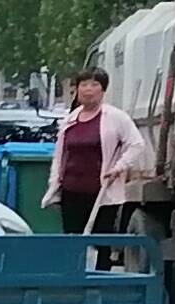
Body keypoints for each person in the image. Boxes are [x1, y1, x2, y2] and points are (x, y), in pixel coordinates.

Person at [52, 64, 155, 238]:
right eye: (83, 85)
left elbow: (137, 144)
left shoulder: (116, 117)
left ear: (103, 90)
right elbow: (60, 155)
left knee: (102, 240)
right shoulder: (70, 120)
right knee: (72, 240)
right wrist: (54, 184)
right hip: (71, 192)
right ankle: (75, 267)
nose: (88, 90)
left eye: (94, 85)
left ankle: (101, 267)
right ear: (77, 89)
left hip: (102, 192)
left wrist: (119, 167)